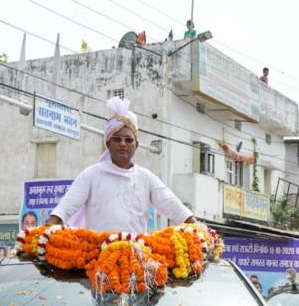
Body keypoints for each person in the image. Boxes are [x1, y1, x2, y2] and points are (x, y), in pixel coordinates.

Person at [48, 97, 195, 234]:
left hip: (135, 256)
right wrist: (45, 231)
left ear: (136, 144)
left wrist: (199, 230)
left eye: (128, 140)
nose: (123, 144)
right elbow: (66, 207)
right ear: (107, 143)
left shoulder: (146, 178)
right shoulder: (91, 174)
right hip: (99, 256)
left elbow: (173, 206)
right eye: (117, 139)